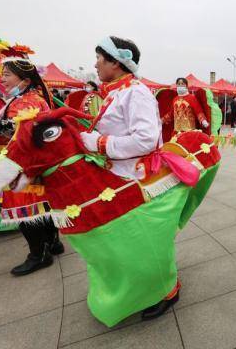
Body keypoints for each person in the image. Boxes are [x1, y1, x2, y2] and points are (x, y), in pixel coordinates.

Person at [79, 36, 179, 319]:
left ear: (116, 62)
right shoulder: (115, 92)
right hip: (116, 176)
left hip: (136, 179)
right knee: (127, 244)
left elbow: (146, 139)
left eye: (99, 58)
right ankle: (135, 285)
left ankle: (167, 290)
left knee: (146, 242)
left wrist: (98, 144)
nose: (95, 64)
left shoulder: (136, 92)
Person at [0, 58, 63, 275]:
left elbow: (12, 132)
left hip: (21, 164)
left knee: (26, 210)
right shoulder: (24, 97)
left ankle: (39, 254)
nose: (2, 79)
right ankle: (52, 243)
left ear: (24, 80)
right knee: (39, 206)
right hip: (27, 162)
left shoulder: (27, 101)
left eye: (7, 75)